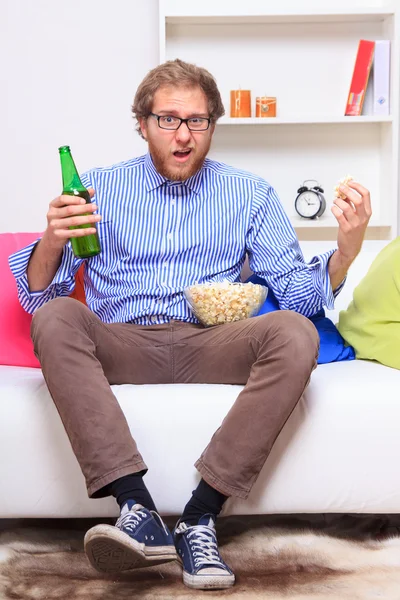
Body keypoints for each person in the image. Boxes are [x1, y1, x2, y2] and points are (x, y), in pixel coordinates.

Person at [9, 59, 372, 591]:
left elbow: (297, 292)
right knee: (58, 316)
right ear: (142, 122)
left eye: (197, 121)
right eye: (168, 120)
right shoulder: (98, 187)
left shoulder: (249, 193)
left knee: (295, 331)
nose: (183, 136)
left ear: (213, 126)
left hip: (211, 339)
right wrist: (53, 238)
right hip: (123, 339)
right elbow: (41, 293)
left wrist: (345, 252)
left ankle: (200, 518)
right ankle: (137, 509)